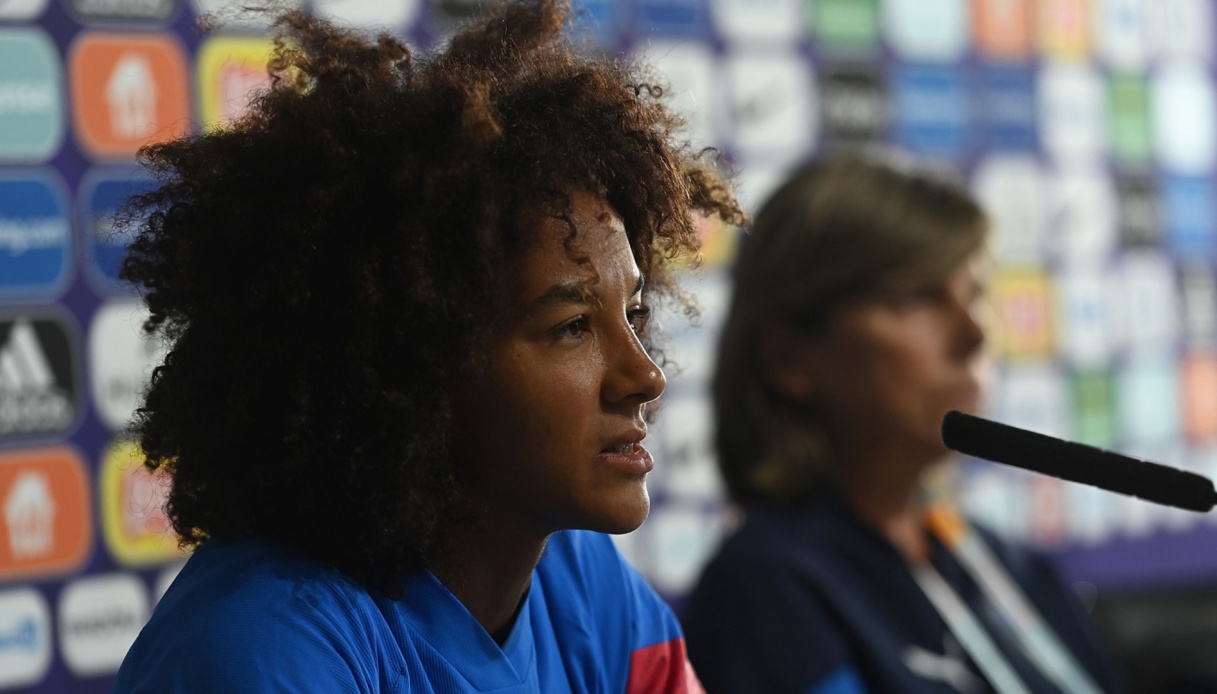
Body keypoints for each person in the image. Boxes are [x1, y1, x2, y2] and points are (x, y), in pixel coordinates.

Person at [112, 1, 741, 691]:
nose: (645, 376)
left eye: (635, 314)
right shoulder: (263, 644)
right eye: (572, 326)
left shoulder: (582, 582)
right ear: (414, 370)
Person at [681, 153, 1124, 694]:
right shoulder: (765, 589)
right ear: (788, 358)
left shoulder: (1006, 563)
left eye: (975, 294)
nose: (975, 333)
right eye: (918, 296)